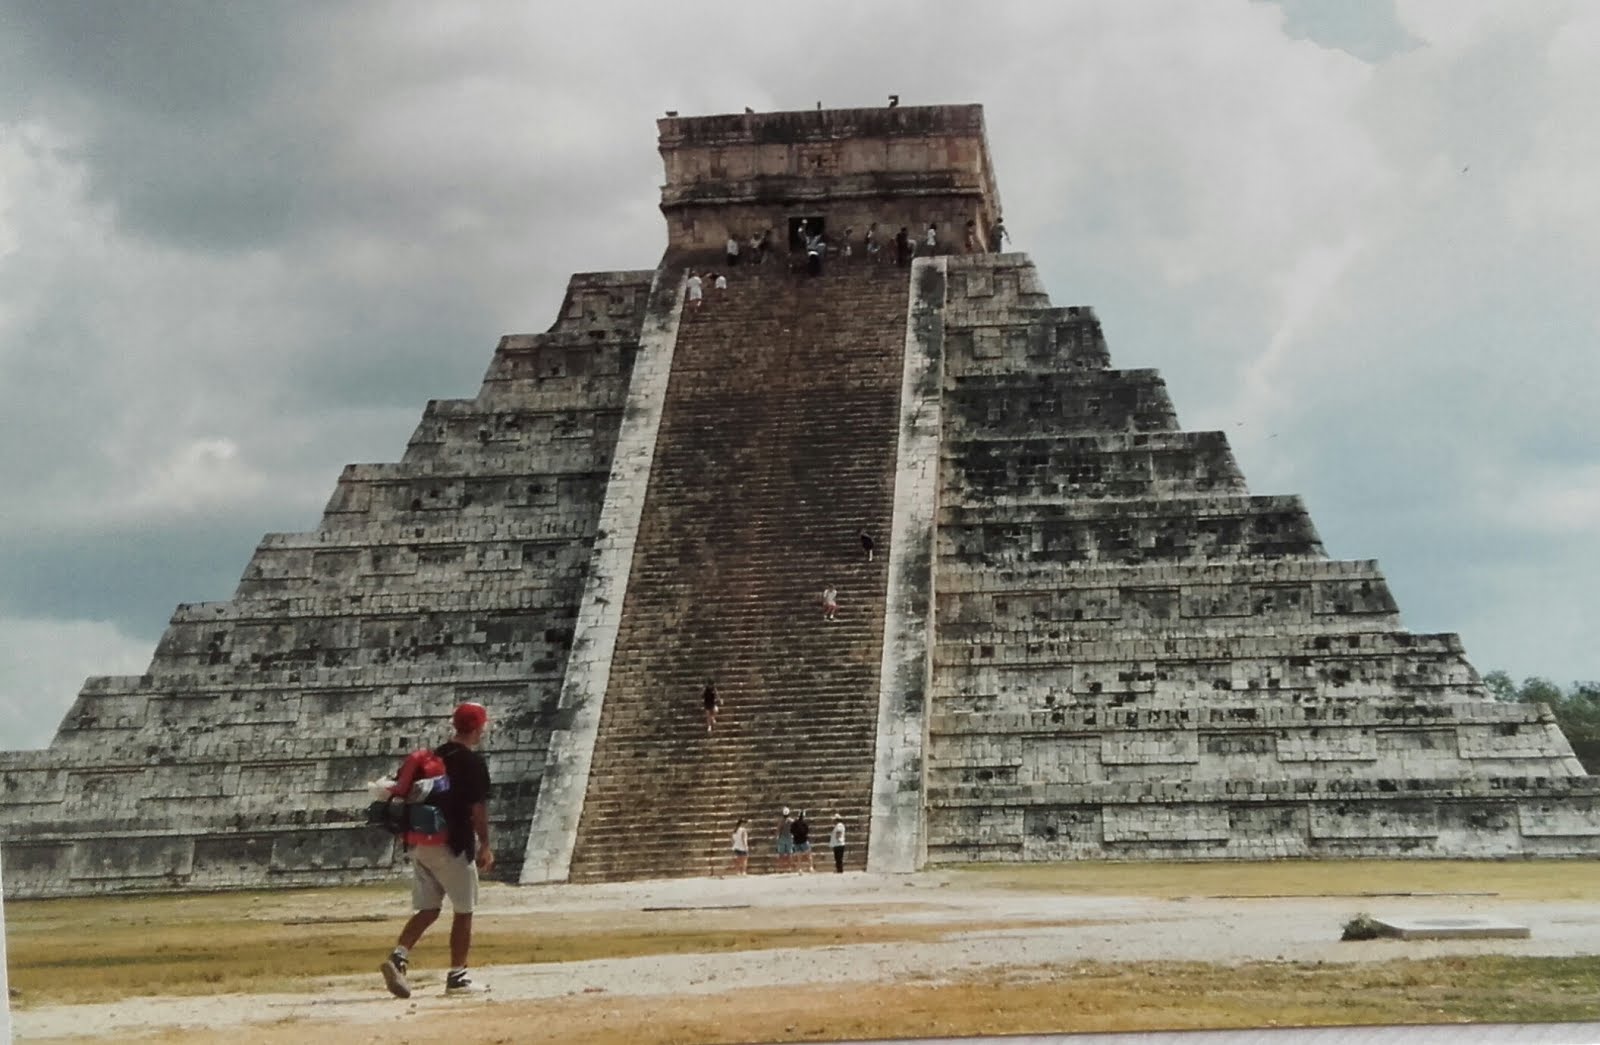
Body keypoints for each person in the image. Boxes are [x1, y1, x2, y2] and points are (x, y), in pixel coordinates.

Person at [379, 702, 494, 998]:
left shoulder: (436, 755)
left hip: (422, 841)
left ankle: (399, 956)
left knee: (429, 909)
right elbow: (477, 809)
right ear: (478, 727)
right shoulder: (472, 762)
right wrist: (485, 845)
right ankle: (458, 976)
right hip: (452, 843)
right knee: (464, 909)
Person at [775, 807, 794, 872]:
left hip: (782, 837)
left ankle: (781, 867)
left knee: (781, 853)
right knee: (789, 853)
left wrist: (777, 836)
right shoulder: (792, 821)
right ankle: (789, 868)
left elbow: (778, 829)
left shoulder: (781, 821)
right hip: (790, 837)